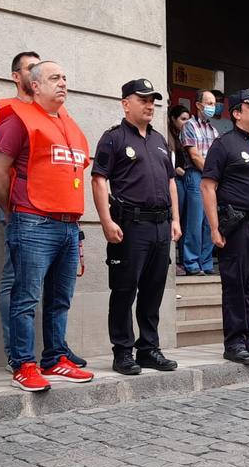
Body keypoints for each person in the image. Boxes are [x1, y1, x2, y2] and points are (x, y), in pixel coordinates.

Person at [0, 60, 95, 388]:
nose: (63, 83)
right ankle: (23, 363)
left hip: (68, 223)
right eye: (54, 78)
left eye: (64, 77)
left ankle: (55, 358)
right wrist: (16, 209)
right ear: (34, 85)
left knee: (60, 297)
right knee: (26, 297)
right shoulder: (18, 120)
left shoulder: (68, 122)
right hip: (33, 221)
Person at [92, 79, 181, 374]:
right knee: (124, 290)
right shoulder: (113, 138)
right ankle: (122, 351)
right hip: (130, 225)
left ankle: (148, 348)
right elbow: (99, 179)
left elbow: (170, 183)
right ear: (125, 103)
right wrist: (106, 220)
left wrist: (176, 220)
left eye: (152, 101)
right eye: (142, 99)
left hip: (159, 225)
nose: (149, 105)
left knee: (153, 291)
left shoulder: (159, 140)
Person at [201, 89, 249, 365]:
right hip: (238, 224)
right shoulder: (224, 145)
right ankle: (234, 341)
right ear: (236, 113)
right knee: (236, 283)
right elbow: (208, 186)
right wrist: (214, 227)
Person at [0, 50, 40, 354]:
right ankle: (15, 352)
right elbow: (1, 164)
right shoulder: (5, 111)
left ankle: (49, 350)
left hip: (49, 209)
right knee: (14, 278)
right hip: (20, 205)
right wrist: (9, 209)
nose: (35, 74)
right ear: (16, 76)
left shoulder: (52, 112)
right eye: (30, 69)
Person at [180, 90, 219, 275]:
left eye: (214, 103)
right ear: (198, 105)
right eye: (208, 103)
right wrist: (213, 172)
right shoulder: (189, 126)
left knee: (210, 221)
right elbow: (194, 155)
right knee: (195, 221)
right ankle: (192, 262)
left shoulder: (214, 130)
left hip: (212, 179)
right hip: (195, 175)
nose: (212, 106)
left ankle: (207, 262)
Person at [167, 104, 192, 276]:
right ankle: (175, 259)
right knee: (176, 217)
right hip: (177, 180)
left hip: (185, 180)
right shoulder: (170, 137)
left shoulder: (186, 136)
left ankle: (184, 259)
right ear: (173, 119)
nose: (186, 123)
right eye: (183, 119)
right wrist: (181, 171)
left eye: (188, 119)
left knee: (185, 220)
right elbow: (171, 163)